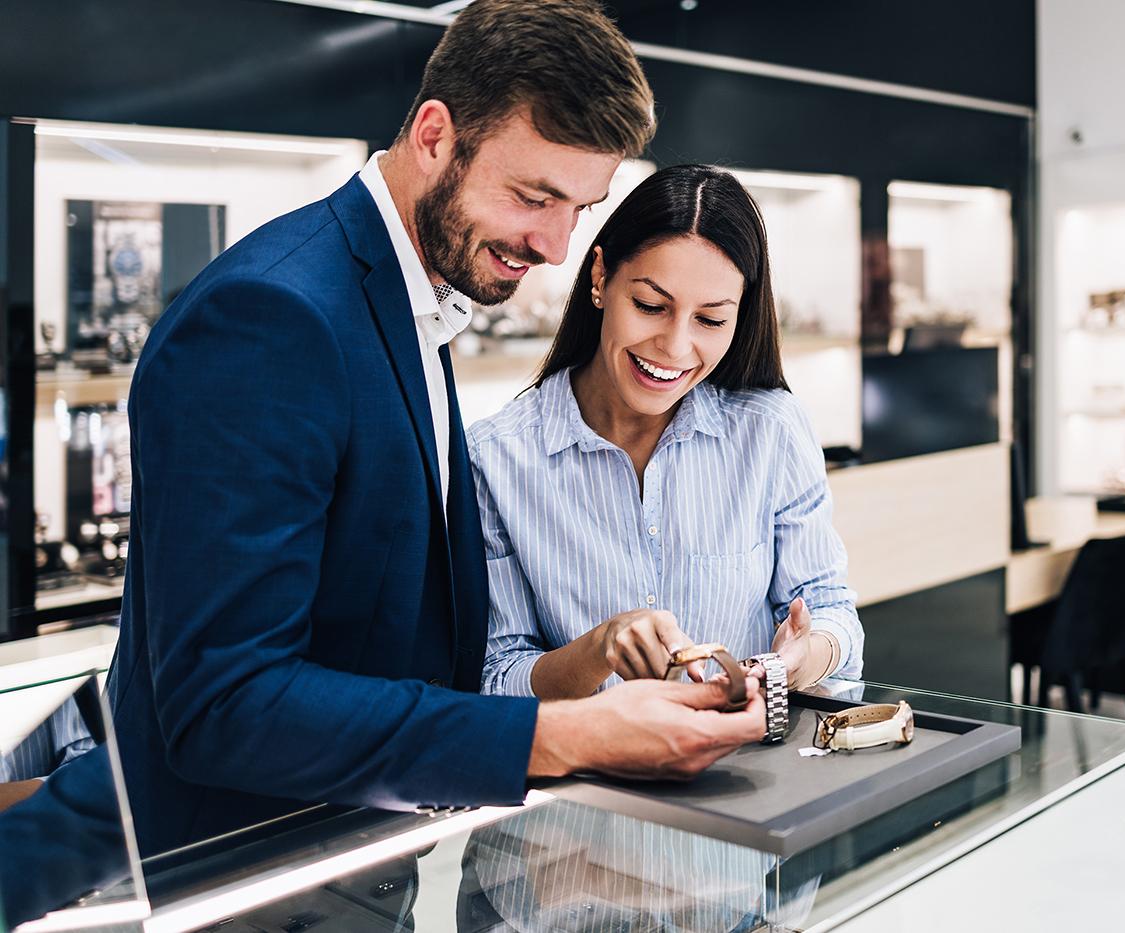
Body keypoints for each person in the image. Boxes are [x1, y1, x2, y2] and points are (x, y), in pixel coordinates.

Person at [106, 0, 762, 858]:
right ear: (433, 135)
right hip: (230, 877)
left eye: (581, 208)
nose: (557, 246)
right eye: (534, 196)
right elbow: (224, 703)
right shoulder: (268, 316)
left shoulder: (410, 302)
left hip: (349, 861)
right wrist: (568, 735)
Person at [468, 163, 863, 701]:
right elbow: (496, 676)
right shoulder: (494, 459)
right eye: (651, 306)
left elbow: (830, 610)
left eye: (710, 320)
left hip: (747, 773)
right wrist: (598, 649)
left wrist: (804, 656)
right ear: (601, 278)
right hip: (591, 780)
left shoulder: (769, 430)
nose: (675, 348)